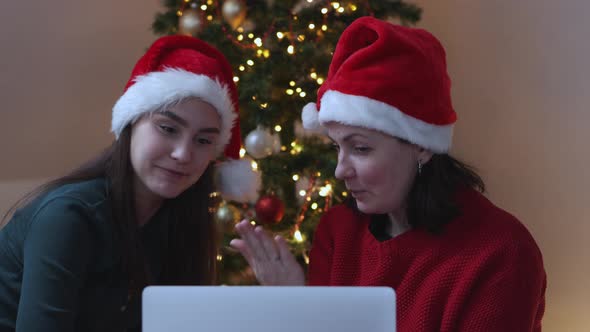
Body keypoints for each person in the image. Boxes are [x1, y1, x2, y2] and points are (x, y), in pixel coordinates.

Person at [230, 16, 547, 331]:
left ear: (421, 146)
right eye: (336, 148)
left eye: (361, 148)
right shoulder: (338, 232)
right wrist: (296, 304)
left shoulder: (502, 252)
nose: (340, 170)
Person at [0, 35, 258, 331]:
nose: (183, 154)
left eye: (203, 141)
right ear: (131, 124)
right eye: (168, 128)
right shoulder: (68, 218)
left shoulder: (178, 223)